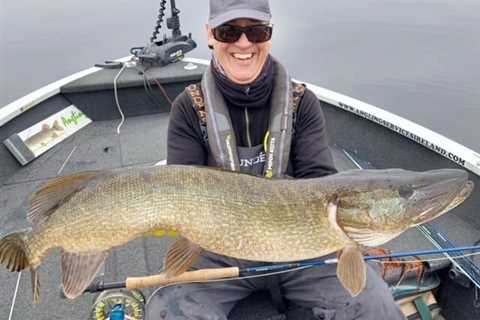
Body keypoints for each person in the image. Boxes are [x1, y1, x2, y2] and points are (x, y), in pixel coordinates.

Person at [146, 0, 405, 319]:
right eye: (229, 31)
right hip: (218, 249)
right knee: (167, 311)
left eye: (256, 31)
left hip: (302, 250)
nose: (243, 43)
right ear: (210, 35)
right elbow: (180, 187)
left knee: (374, 305)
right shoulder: (189, 108)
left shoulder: (302, 103)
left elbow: (319, 180)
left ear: (269, 35)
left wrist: (347, 237)